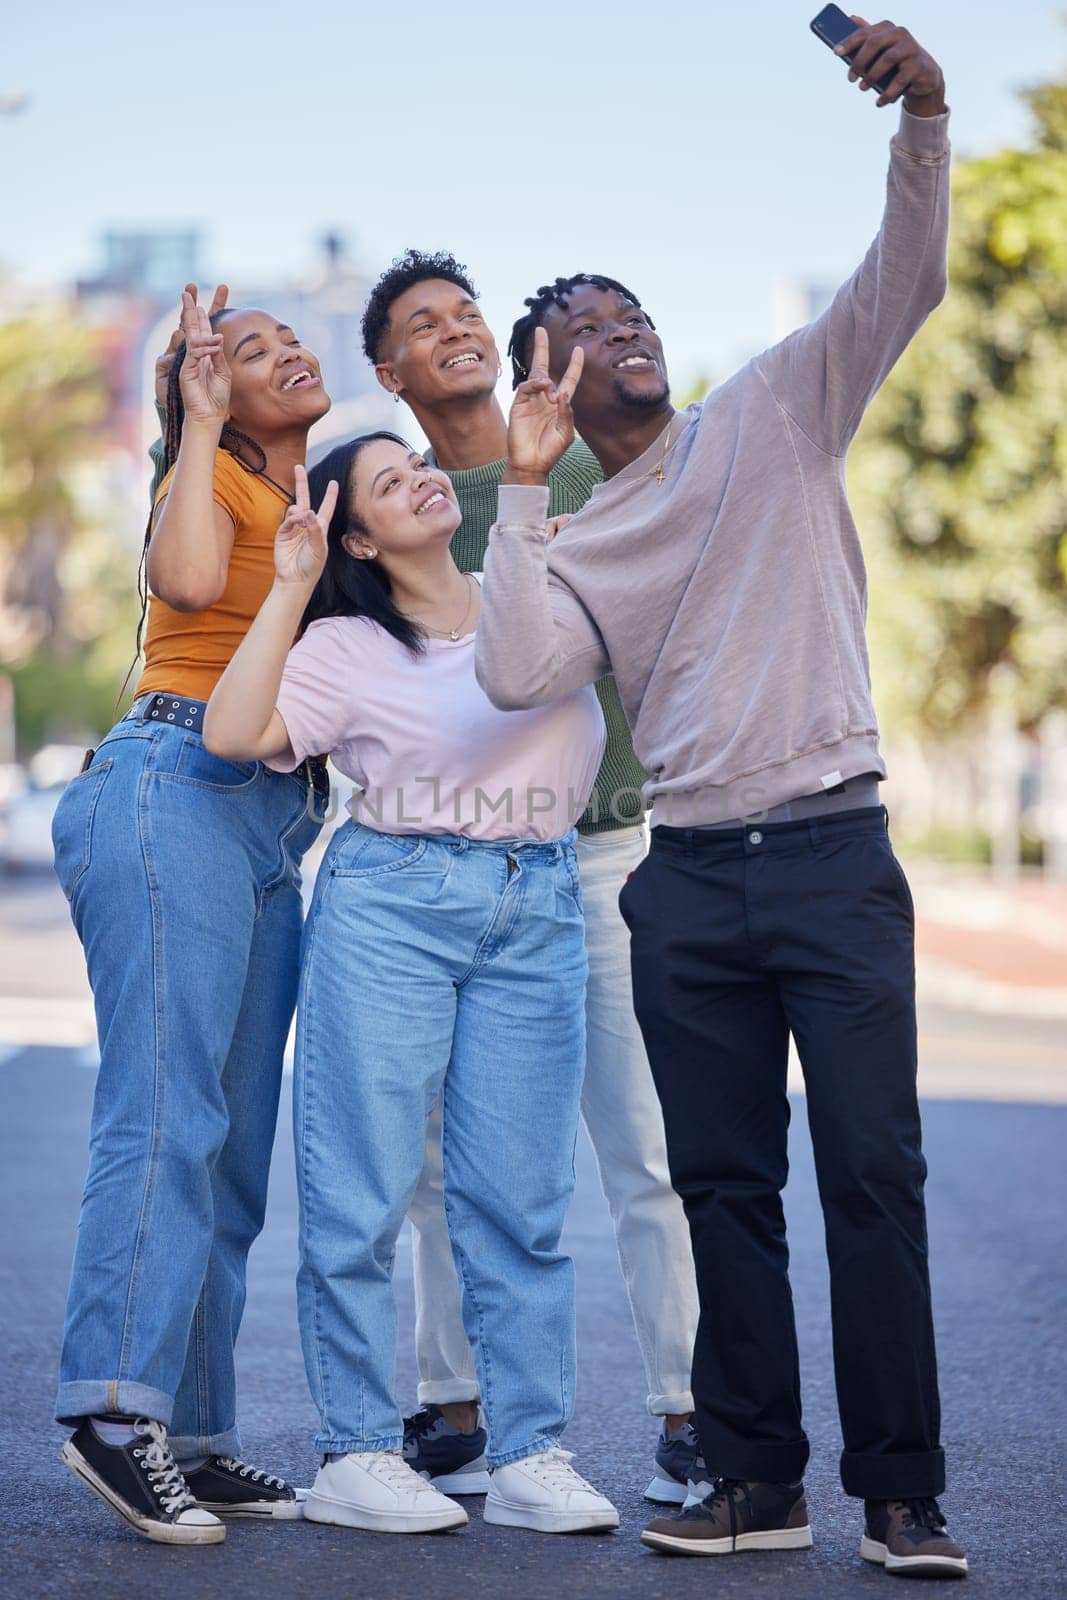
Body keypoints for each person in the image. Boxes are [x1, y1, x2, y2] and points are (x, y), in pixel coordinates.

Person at [475, 18, 968, 1580]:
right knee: (720, 1192)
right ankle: (754, 1486)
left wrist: (924, 121)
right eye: (577, 321)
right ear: (544, 375)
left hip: (828, 846)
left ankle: (903, 1496)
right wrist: (517, 485)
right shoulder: (572, 533)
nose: (619, 324)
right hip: (682, 879)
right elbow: (512, 670)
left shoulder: (773, 409)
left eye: (628, 306)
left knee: (871, 1179)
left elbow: (902, 277)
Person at [203, 438, 620, 1536]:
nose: (422, 481)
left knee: (522, 1203)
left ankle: (530, 1450)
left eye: (419, 466)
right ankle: (352, 1449)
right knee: (362, 1189)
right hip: (394, 900)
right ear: (357, 538)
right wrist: (291, 585)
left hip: (538, 898)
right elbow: (234, 732)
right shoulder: (342, 644)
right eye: (388, 483)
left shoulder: (534, 587)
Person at [359, 251, 701, 1505]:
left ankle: (687, 1414)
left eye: (464, 313)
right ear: (386, 369)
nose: (448, 331)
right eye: (420, 324)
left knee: (645, 1148)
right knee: (448, 1161)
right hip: (447, 870)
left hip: (604, 852)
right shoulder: (377, 497)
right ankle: (451, 1400)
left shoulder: (573, 463)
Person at [51, 290, 330, 1544]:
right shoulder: (212, 479)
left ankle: (196, 1432)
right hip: (171, 785)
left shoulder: (310, 504)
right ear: (206, 383)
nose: (287, 353)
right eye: (252, 348)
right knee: (168, 1111)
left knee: (231, 1143)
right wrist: (198, 424)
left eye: (290, 340)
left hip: (271, 819)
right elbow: (185, 582)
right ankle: (114, 1410)